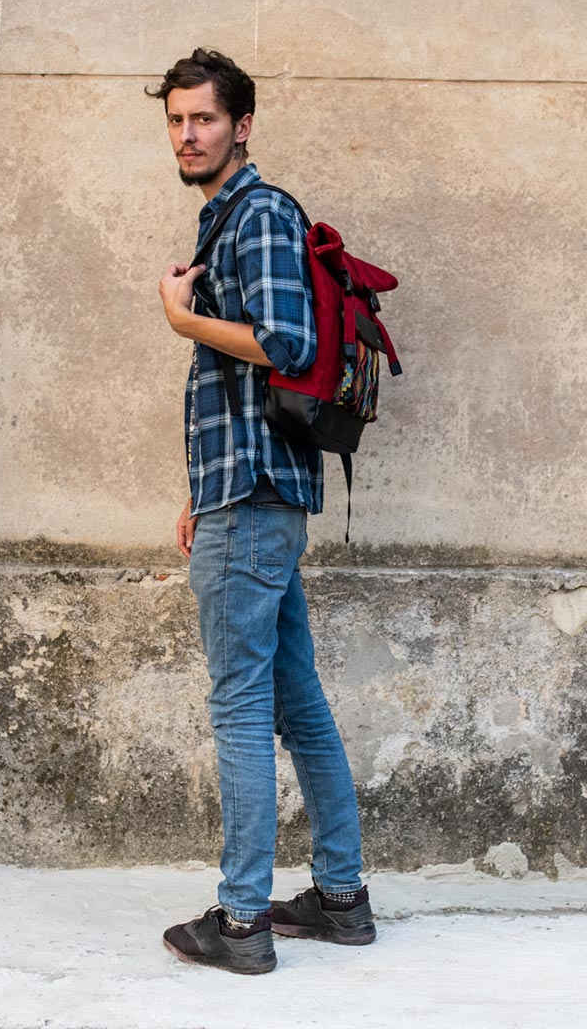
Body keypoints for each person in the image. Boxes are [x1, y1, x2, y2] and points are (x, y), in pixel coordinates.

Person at [148, 48, 373, 975]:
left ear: (242, 125)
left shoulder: (260, 214)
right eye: (177, 120)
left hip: (256, 500)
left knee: (241, 708)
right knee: (295, 705)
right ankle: (342, 898)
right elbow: (240, 391)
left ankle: (241, 922)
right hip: (249, 497)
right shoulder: (227, 220)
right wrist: (204, 496)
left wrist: (182, 318)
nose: (189, 134)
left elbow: (283, 341)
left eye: (204, 119)